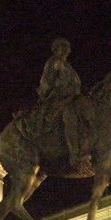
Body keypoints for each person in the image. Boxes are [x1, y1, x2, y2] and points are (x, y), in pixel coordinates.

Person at [37, 37, 90, 172]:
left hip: (73, 98)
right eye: (63, 47)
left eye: (67, 48)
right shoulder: (55, 62)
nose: (66, 50)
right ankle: (75, 155)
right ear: (56, 50)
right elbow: (46, 82)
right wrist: (53, 92)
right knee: (70, 116)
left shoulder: (67, 66)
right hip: (59, 99)